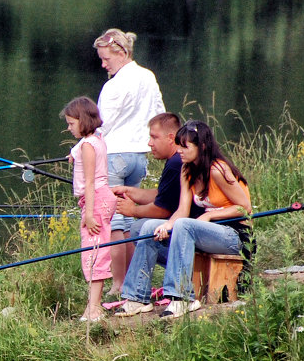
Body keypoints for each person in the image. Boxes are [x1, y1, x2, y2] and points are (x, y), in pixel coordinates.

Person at [116, 120, 252, 319]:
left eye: (185, 146)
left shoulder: (218, 170)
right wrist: (167, 225)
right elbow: (182, 210)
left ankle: (182, 298)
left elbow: (245, 207)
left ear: (202, 146)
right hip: (209, 233)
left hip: (235, 236)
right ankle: (137, 297)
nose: (179, 150)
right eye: (178, 144)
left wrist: (210, 214)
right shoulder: (187, 170)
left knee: (184, 225)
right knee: (148, 227)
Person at [93, 28, 166, 296]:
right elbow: (160, 115)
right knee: (130, 220)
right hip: (139, 158)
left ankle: (118, 284)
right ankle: (136, 282)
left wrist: (83, 151)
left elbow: (102, 126)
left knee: (114, 225)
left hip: (113, 157)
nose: (103, 65)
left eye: (106, 59)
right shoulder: (148, 76)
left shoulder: (113, 86)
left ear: (121, 52)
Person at [109, 112, 204, 301]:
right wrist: (128, 191)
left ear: (171, 138)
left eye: (154, 137)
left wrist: (132, 210)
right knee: (142, 226)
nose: (149, 143)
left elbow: (163, 210)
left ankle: (181, 273)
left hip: (194, 232)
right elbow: (162, 195)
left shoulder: (177, 163)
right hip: (191, 229)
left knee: (138, 228)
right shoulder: (177, 160)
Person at [62, 96, 116, 322]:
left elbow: (91, 182)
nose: (68, 128)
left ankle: (94, 309)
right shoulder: (97, 139)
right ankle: (91, 307)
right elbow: (86, 148)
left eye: (71, 124)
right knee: (96, 251)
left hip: (95, 201)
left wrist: (90, 214)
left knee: (94, 254)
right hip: (103, 199)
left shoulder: (86, 146)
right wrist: (74, 154)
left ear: (83, 121)